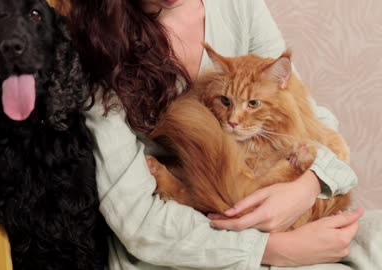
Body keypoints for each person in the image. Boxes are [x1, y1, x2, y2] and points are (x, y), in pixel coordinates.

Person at [56, 0, 382, 269]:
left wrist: (309, 186)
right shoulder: (96, 44)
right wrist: (272, 248)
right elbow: (138, 223)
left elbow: (312, 120)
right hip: (186, 242)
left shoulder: (238, 6)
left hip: (285, 205)